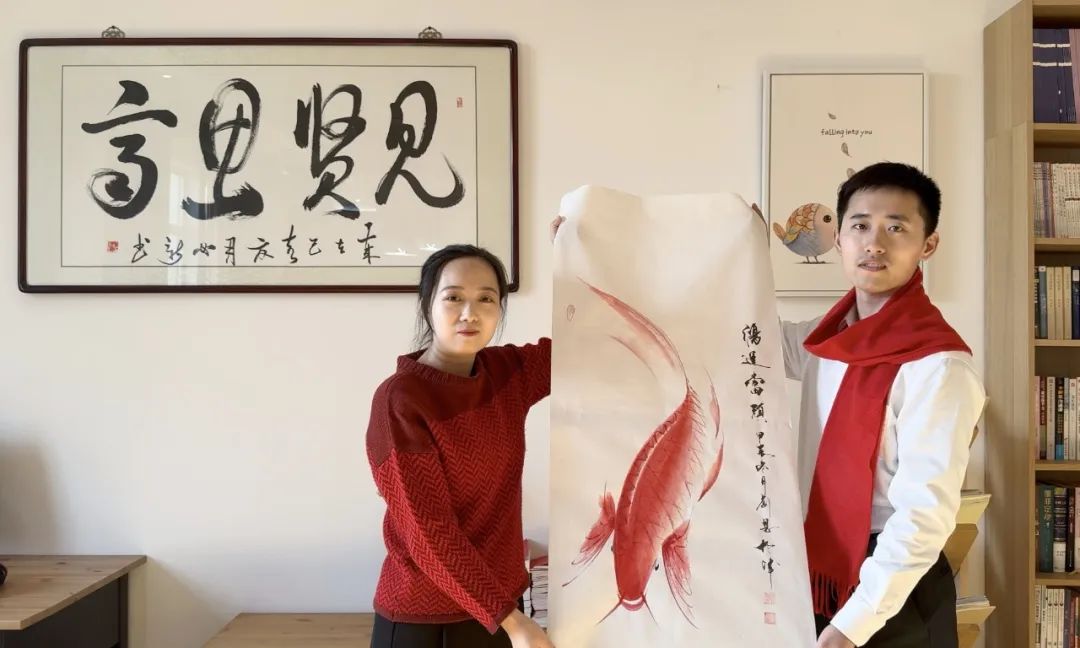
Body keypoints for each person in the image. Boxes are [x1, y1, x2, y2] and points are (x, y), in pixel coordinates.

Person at [781, 162, 985, 647]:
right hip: (818, 569)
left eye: (896, 228)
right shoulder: (823, 342)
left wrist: (850, 627)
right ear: (839, 239)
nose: (874, 243)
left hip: (893, 587)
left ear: (928, 245)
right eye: (860, 225)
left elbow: (923, 517)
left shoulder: (939, 366)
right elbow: (737, 333)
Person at [366, 244, 554, 648]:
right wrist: (512, 622)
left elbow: (583, 343)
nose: (470, 313)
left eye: (486, 298)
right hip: (426, 619)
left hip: (501, 608)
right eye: (453, 297)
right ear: (427, 305)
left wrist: (576, 257)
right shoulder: (400, 400)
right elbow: (428, 533)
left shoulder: (506, 374)